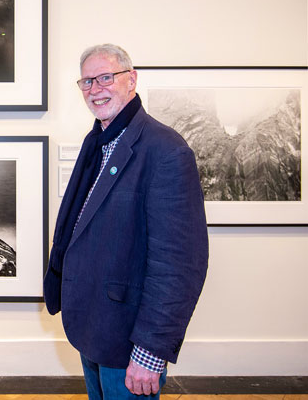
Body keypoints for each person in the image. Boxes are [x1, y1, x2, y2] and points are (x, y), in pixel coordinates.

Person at [43, 44, 209, 399]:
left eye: (106, 77)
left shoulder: (166, 150)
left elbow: (180, 265)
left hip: (129, 342)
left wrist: (150, 352)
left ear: (131, 80)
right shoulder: (99, 142)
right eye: (87, 82)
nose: (95, 89)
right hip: (94, 330)